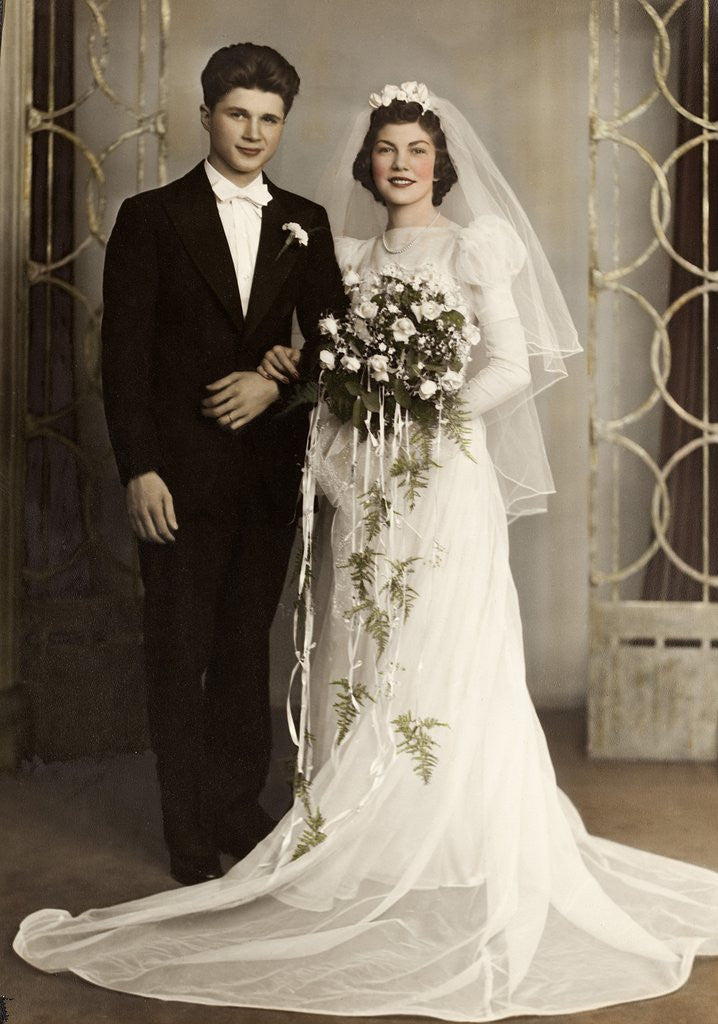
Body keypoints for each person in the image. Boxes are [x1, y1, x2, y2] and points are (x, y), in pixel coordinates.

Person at [14, 83, 718, 1019]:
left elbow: (512, 363)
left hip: (440, 477)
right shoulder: (336, 249)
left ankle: (451, 829)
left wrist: (428, 415)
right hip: (361, 480)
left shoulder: (476, 246)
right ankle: (359, 823)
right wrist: (294, 374)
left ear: (441, 162)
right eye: (385, 149)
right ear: (365, 161)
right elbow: (315, 348)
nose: (399, 164)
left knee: (443, 642)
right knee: (361, 642)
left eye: (415, 152)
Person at [98, 41, 346, 886]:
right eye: (238, 114)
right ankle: (188, 830)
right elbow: (121, 359)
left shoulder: (303, 221)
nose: (253, 132)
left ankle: (239, 804)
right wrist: (140, 469)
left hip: (265, 478)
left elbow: (338, 349)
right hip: (176, 478)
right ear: (206, 116)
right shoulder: (152, 217)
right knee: (179, 648)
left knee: (245, 646)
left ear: (284, 125)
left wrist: (276, 382)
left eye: (270, 119)